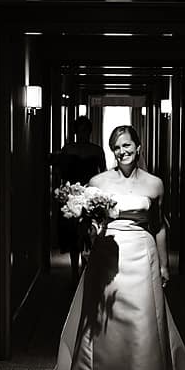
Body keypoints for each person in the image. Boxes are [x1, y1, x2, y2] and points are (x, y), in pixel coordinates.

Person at [53, 125, 185, 370]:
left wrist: (165, 264)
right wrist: (88, 235)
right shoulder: (99, 181)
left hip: (142, 254)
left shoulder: (154, 184)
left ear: (139, 147)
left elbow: (158, 226)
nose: (123, 152)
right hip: (108, 253)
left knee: (144, 319)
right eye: (117, 147)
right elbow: (90, 225)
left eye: (127, 146)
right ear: (112, 150)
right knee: (106, 319)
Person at [53, 116, 106, 285]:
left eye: (86, 130)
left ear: (90, 132)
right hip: (71, 195)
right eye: (80, 130)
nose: (83, 133)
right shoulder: (68, 149)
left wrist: (100, 196)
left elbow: (103, 173)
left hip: (91, 194)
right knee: (72, 236)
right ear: (76, 132)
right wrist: (62, 192)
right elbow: (60, 172)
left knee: (88, 234)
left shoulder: (97, 150)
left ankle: (86, 270)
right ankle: (74, 271)